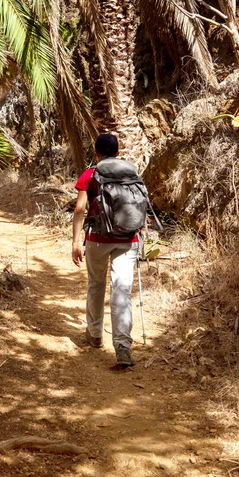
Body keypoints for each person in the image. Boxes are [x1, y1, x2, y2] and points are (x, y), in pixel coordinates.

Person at [72, 134, 139, 367]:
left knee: (96, 284)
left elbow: (80, 209)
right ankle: (122, 347)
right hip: (128, 238)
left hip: (97, 239)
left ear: (96, 151)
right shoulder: (131, 173)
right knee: (121, 290)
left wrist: (74, 241)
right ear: (118, 152)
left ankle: (95, 334)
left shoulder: (90, 174)